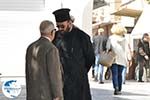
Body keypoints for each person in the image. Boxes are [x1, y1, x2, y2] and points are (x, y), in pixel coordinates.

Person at [52, 8, 95, 100]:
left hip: (79, 80)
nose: (60, 29)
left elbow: (90, 57)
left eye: (62, 26)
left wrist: (80, 70)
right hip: (61, 81)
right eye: (58, 26)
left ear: (69, 22)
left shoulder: (82, 37)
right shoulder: (55, 37)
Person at [25, 20, 64, 100]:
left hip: (32, 94)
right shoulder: (51, 49)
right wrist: (58, 95)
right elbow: (54, 75)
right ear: (52, 32)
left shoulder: (31, 47)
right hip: (46, 95)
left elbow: (28, 72)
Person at [106, 23, 131, 95]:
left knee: (114, 74)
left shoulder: (111, 38)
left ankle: (116, 87)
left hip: (113, 58)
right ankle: (119, 88)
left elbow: (108, 48)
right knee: (120, 74)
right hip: (122, 59)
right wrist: (129, 58)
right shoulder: (124, 39)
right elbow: (127, 49)